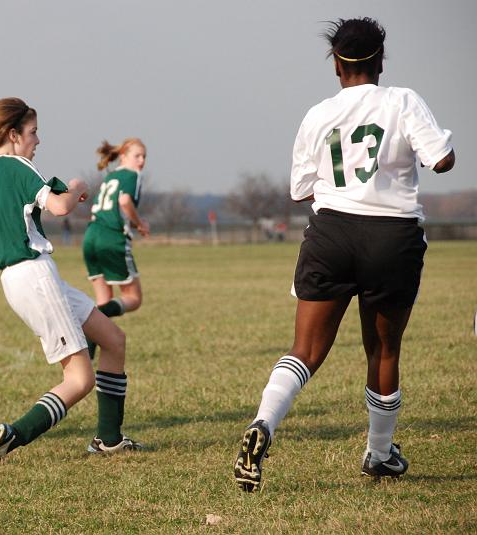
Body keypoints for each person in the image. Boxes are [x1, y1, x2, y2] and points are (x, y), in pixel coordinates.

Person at [233, 17, 455, 492]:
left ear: (337, 65)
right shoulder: (403, 100)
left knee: (305, 350)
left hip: (331, 233)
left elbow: (299, 191)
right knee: (383, 349)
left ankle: (263, 425)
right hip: (391, 237)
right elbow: (442, 159)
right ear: (380, 61)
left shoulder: (317, 114)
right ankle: (379, 454)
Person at [0, 97, 142, 466]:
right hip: (35, 276)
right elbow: (59, 207)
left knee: (113, 340)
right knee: (79, 379)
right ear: (13, 134)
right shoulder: (16, 166)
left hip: (21, 279)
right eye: (33, 132)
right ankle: (9, 437)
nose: (38, 141)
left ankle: (109, 440)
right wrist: (75, 185)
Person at [82, 139, 149, 335]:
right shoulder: (132, 175)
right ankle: (88, 319)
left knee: (104, 299)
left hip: (91, 236)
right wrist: (140, 224)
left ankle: (91, 343)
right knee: (134, 298)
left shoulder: (111, 177)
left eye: (144, 156)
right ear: (123, 157)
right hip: (111, 238)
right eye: (137, 156)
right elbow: (125, 201)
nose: (142, 161)